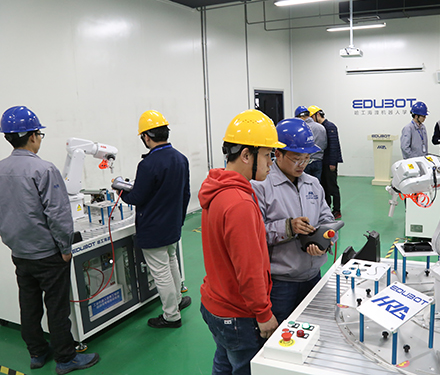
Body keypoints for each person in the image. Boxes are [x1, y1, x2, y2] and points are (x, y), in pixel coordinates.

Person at [0, 106, 100, 374]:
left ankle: (37, 353)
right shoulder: (43, 169)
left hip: (20, 252)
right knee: (56, 307)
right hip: (47, 253)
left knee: (29, 305)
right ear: (33, 136)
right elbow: (58, 213)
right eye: (39, 134)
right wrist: (65, 247)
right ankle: (66, 358)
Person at [199, 109, 282, 375]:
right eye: (267, 155)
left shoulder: (218, 188)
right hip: (237, 314)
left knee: (224, 364)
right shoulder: (239, 203)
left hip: (216, 304)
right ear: (246, 155)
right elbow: (248, 268)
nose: (271, 163)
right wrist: (263, 313)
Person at [251, 118, 336, 324]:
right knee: (280, 336)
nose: (302, 165)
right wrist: (288, 227)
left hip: (313, 276)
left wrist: (324, 242)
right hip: (281, 284)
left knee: (313, 330)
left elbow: (327, 218)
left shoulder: (313, 183)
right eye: (297, 159)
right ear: (278, 154)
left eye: (307, 159)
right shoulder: (261, 186)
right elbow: (254, 235)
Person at [118, 110, 191, 328]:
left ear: (146, 137)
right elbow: (186, 194)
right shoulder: (181, 159)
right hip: (172, 224)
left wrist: (121, 191)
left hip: (153, 228)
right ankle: (177, 300)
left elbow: (137, 197)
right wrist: (179, 220)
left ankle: (171, 316)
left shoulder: (148, 164)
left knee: (161, 272)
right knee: (171, 261)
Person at [308, 105, 343, 219]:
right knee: (324, 187)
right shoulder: (320, 127)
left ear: (317, 115)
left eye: (312, 117)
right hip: (322, 161)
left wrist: (332, 163)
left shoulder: (330, 126)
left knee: (332, 187)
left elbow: (334, 146)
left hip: (329, 162)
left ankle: (337, 210)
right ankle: (327, 208)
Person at [295, 105, 327, 180]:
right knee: (316, 184)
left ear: (300, 117)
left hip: (305, 161)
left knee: (304, 183)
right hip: (318, 161)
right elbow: (324, 145)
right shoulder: (321, 127)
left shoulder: (301, 128)